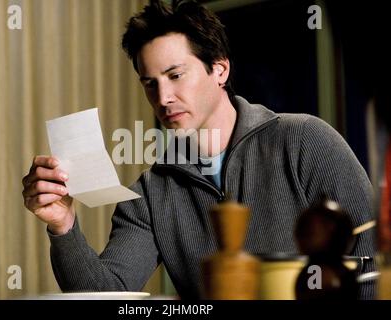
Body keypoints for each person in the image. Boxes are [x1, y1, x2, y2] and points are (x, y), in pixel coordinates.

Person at [22, 0, 375, 299]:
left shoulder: (306, 141)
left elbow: (372, 259)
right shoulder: (150, 192)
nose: (163, 98)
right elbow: (105, 293)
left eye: (176, 75)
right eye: (150, 83)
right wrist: (63, 226)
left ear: (219, 69)